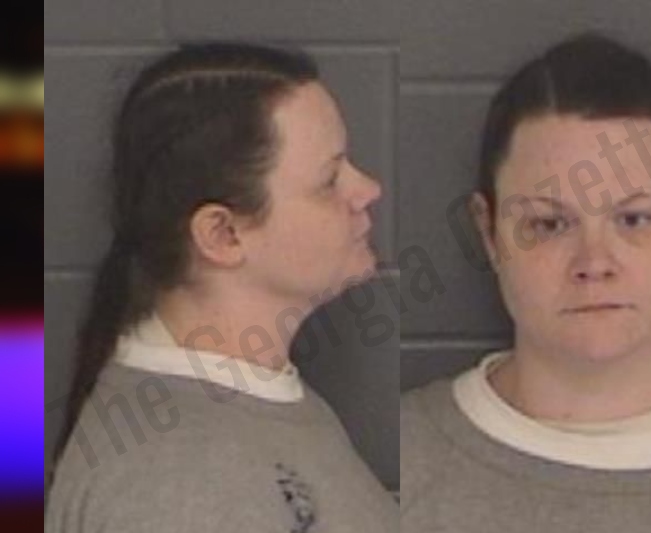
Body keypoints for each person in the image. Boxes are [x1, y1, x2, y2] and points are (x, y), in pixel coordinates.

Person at [401, 33, 651, 532]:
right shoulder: (403, 459)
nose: (594, 262)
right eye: (549, 224)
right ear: (488, 232)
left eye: (634, 219)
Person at [46, 43, 398, 532]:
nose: (368, 190)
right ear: (222, 235)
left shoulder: (253, 404)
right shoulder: (173, 492)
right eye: (329, 179)